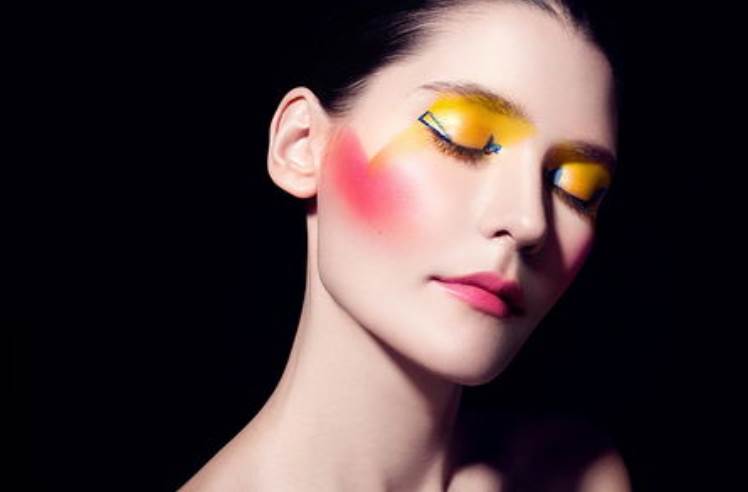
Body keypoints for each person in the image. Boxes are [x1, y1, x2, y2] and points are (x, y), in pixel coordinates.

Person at [179, 0, 630, 490]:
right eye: (464, 140)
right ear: (301, 144)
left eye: (576, 188)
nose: (529, 222)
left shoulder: (571, 473)